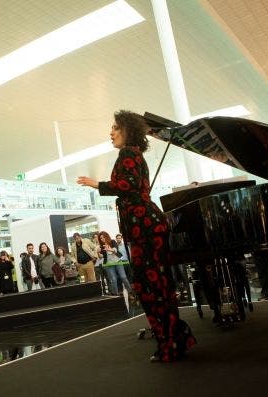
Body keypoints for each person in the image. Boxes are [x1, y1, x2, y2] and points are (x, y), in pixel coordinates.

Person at [77, 110, 196, 362]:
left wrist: (97, 184)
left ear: (127, 130)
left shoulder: (128, 153)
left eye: (115, 128)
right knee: (159, 285)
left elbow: (128, 184)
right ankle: (175, 338)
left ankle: (170, 342)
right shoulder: (135, 154)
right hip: (147, 226)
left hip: (144, 227)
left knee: (151, 287)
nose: (111, 133)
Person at [99, 231, 132, 296]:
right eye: (101, 238)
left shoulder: (113, 242)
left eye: (103, 237)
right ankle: (116, 294)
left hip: (118, 262)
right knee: (113, 279)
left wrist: (109, 249)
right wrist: (98, 253)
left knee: (123, 277)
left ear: (106, 236)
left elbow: (115, 250)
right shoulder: (101, 246)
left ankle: (130, 292)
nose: (102, 239)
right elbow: (101, 257)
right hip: (109, 264)